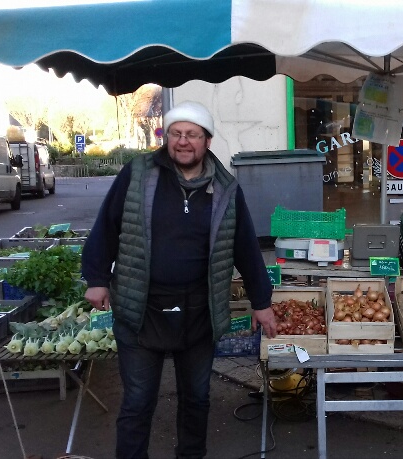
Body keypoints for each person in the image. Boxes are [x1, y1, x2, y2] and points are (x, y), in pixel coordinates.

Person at [81, 101, 277, 459]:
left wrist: (261, 303)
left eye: (192, 135)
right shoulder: (139, 173)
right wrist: (97, 277)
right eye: (176, 133)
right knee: (138, 400)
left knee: (196, 398)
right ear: (166, 136)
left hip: (198, 310)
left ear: (207, 141)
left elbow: (245, 247)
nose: (183, 141)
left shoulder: (227, 189)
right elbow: (107, 225)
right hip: (141, 306)